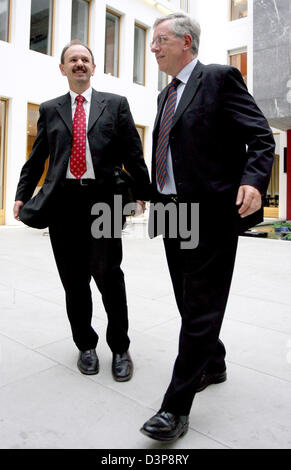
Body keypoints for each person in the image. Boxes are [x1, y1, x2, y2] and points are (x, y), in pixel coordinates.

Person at [140, 13, 275, 442]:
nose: (154, 47)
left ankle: (174, 407)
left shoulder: (218, 78)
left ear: (186, 41)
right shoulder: (166, 97)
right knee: (187, 299)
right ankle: (212, 363)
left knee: (200, 307)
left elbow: (261, 136)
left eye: (160, 40)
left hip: (211, 213)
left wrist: (253, 180)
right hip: (170, 212)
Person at [14, 40, 150, 382]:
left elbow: (134, 153)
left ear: (93, 67)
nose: (79, 64)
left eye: (85, 59)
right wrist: (21, 195)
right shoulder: (49, 109)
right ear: (63, 68)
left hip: (103, 204)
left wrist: (144, 193)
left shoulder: (115, 105)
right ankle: (85, 345)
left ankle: (120, 347)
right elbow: (37, 159)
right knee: (74, 282)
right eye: (72, 59)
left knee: (109, 277)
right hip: (63, 206)